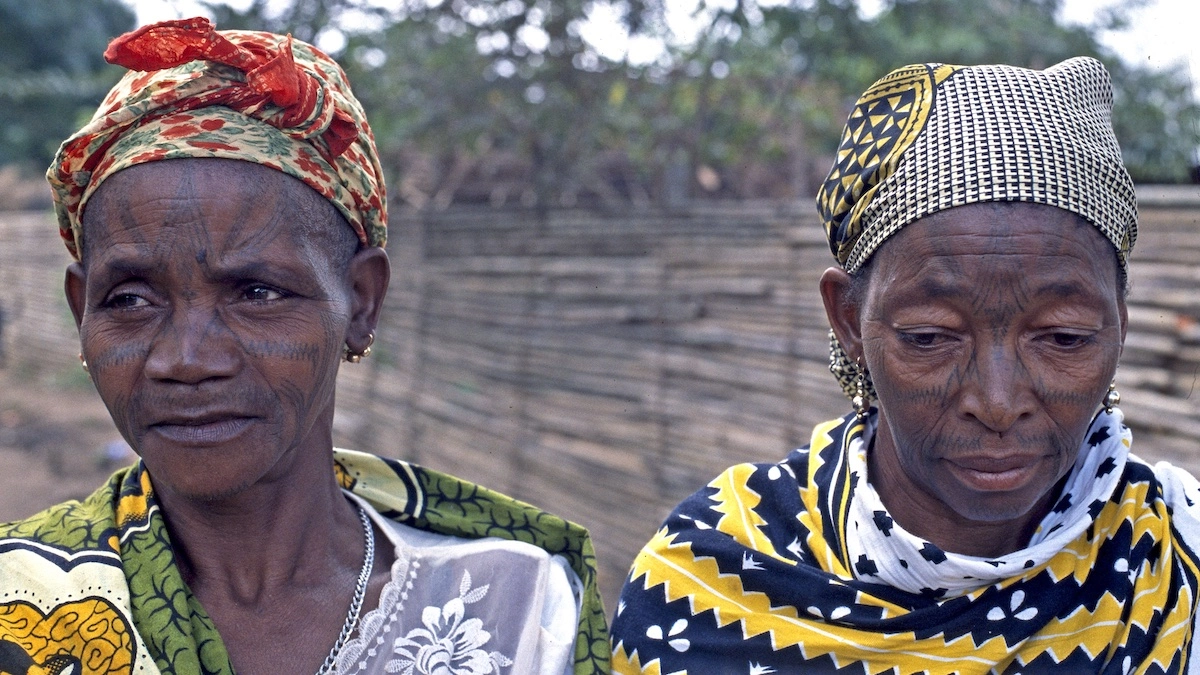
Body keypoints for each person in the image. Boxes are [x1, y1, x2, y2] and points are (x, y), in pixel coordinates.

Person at [0, 18, 609, 675]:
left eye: (257, 292)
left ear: (361, 302)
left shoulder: (517, 612)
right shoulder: (20, 602)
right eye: (130, 300)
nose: (186, 360)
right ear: (81, 310)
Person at [610, 57, 1200, 674]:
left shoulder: (1173, 570)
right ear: (848, 320)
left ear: (1119, 328)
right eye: (929, 337)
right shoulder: (710, 581)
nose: (997, 403)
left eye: (1063, 337)